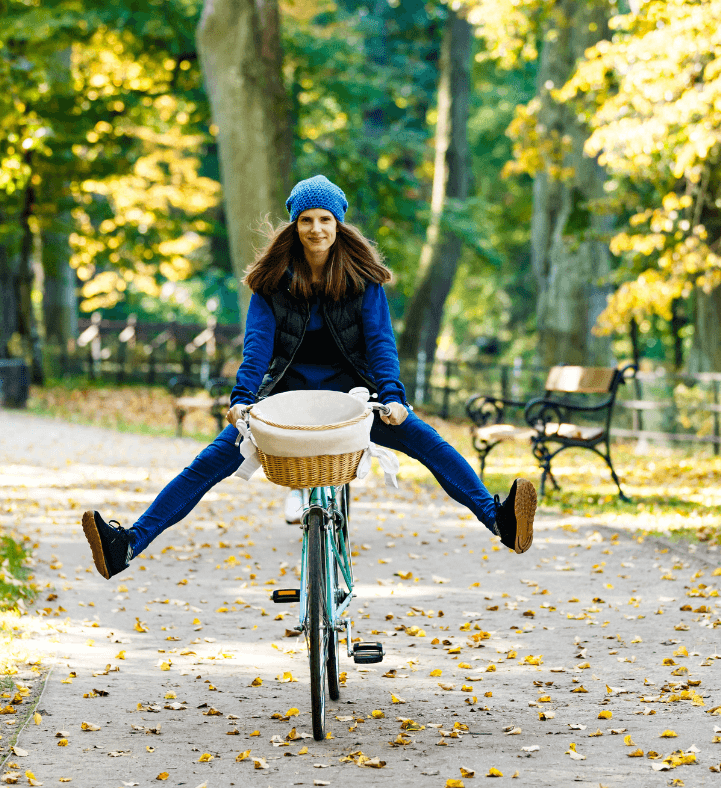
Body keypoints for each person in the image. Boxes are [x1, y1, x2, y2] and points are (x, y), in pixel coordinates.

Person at [81, 175, 537, 579]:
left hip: (356, 401)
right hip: (283, 404)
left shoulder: (364, 282)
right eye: (306, 220)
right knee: (205, 466)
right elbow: (257, 347)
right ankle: (128, 545)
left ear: (339, 225)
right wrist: (242, 399)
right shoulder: (270, 283)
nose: (316, 228)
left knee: (429, 443)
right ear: (294, 226)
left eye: (325, 219)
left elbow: (381, 344)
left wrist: (394, 397)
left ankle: (500, 521)